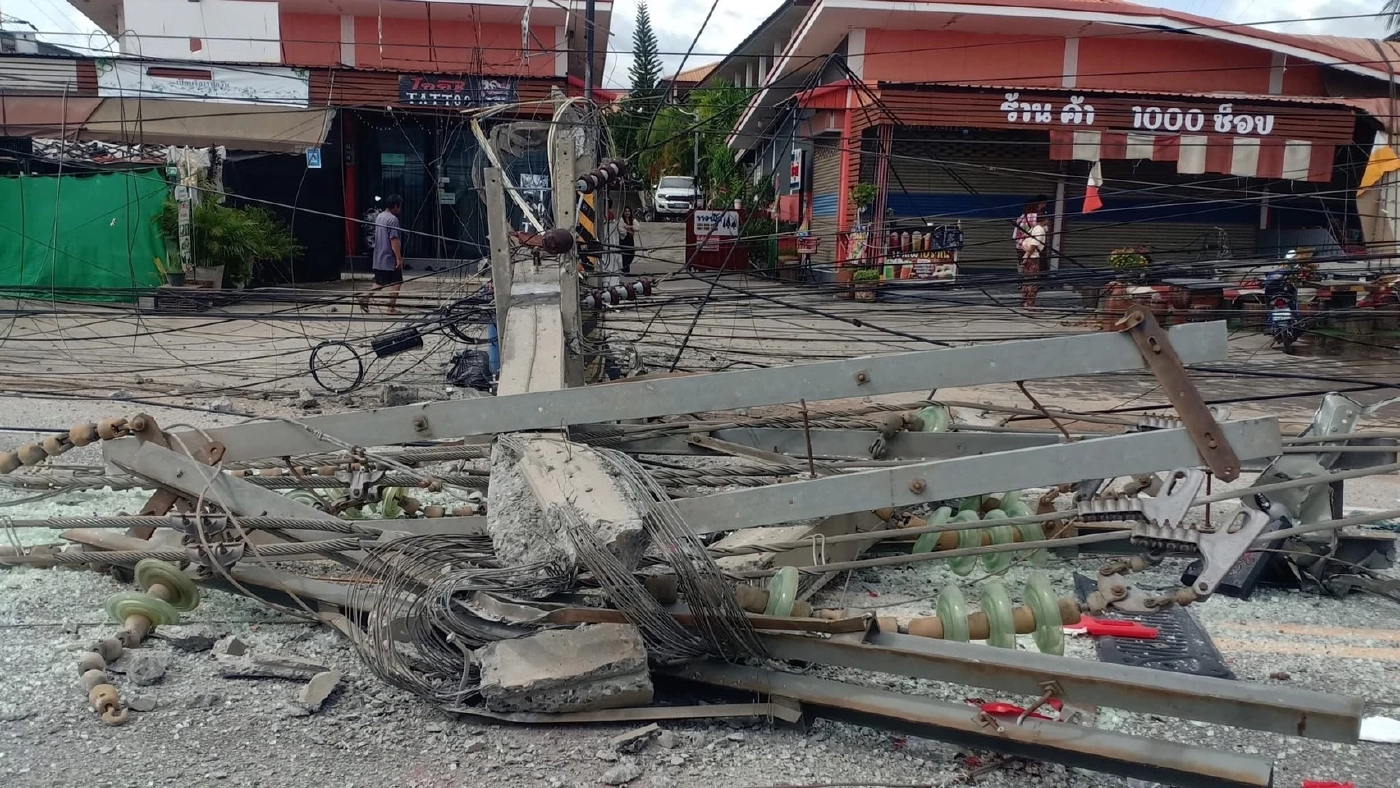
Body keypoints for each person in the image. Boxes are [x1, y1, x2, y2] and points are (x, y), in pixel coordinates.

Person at [363, 194, 404, 314]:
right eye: (399, 206)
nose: (400, 209)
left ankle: (366, 297)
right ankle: (391, 308)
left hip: (379, 256)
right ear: (395, 206)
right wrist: (398, 258)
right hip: (389, 257)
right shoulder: (393, 219)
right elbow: (394, 239)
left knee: (380, 282)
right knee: (397, 282)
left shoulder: (380, 216)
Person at [1019, 215, 1050, 309]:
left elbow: (1026, 242)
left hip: (1028, 255)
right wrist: (1027, 255)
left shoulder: (1034, 228)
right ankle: (1029, 303)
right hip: (1033, 258)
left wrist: (1026, 255)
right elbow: (1034, 245)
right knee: (1033, 280)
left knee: (1027, 280)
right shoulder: (1039, 230)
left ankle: (1025, 301)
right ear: (1045, 220)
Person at [1013, 195, 1047, 260]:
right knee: (1034, 265)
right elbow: (1043, 228)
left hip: (1020, 248)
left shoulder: (1020, 217)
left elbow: (1014, 236)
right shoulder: (1034, 216)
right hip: (1031, 248)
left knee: (1022, 264)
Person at [619, 206, 638, 274]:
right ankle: (626, 270)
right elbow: (620, 229)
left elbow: (637, 228)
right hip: (624, 239)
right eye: (625, 211)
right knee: (625, 255)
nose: (627, 213)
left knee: (632, 254)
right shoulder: (621, 220)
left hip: (630, 239)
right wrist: (628, 231)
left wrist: (629, 227)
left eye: (628, 211)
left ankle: (625, 269)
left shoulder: (632, 220)